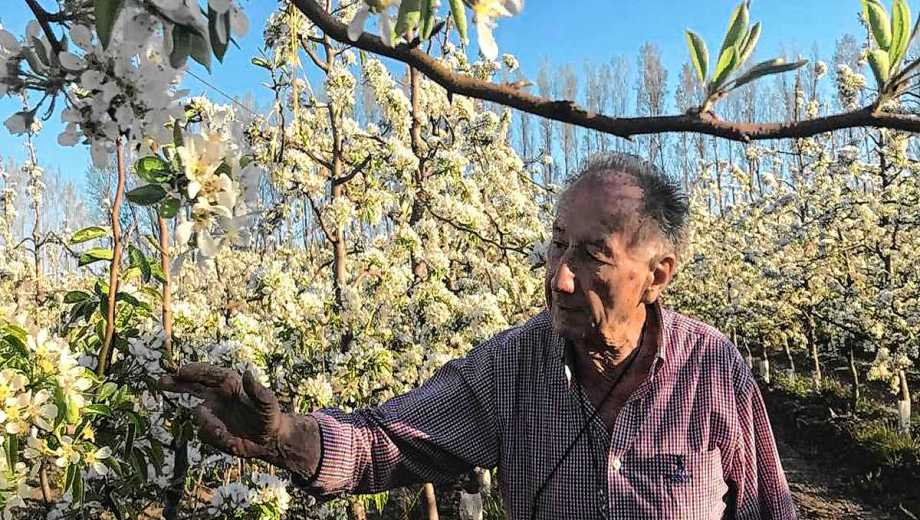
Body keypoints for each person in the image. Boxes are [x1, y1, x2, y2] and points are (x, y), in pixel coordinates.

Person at [161, 152, 796, 519]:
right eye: (556, 247)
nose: (561, 280)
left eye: (593, 256)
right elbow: (392, 441)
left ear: (657, 275)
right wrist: (285, 438)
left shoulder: (712, 368)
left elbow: (768, 509)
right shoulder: (512, 367)